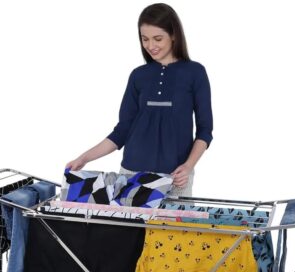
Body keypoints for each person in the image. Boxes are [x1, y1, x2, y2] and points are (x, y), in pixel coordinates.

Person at [66, 3, 213, 197]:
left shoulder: (195, 72)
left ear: (173, 35)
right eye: (145, 39)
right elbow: (122, 131)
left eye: (157, 39)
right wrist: (84, 158)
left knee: (175, 219)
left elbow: (205, 130)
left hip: (175, 177)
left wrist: (188, 166)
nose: (150, 46)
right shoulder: (138, 75)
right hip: (131, 175)